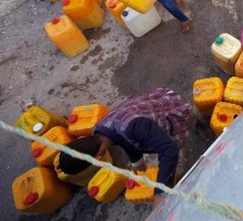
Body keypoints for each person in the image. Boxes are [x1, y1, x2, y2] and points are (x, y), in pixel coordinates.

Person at [57, 88, 193, 208]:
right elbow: (120, 139)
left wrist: (161, 192)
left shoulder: (133, 128)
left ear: (99, 157)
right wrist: (136, 159)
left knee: (183, 128)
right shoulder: (100, 130)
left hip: (170, 107)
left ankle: (196, 120)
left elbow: (169, 150)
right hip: (145, 108)